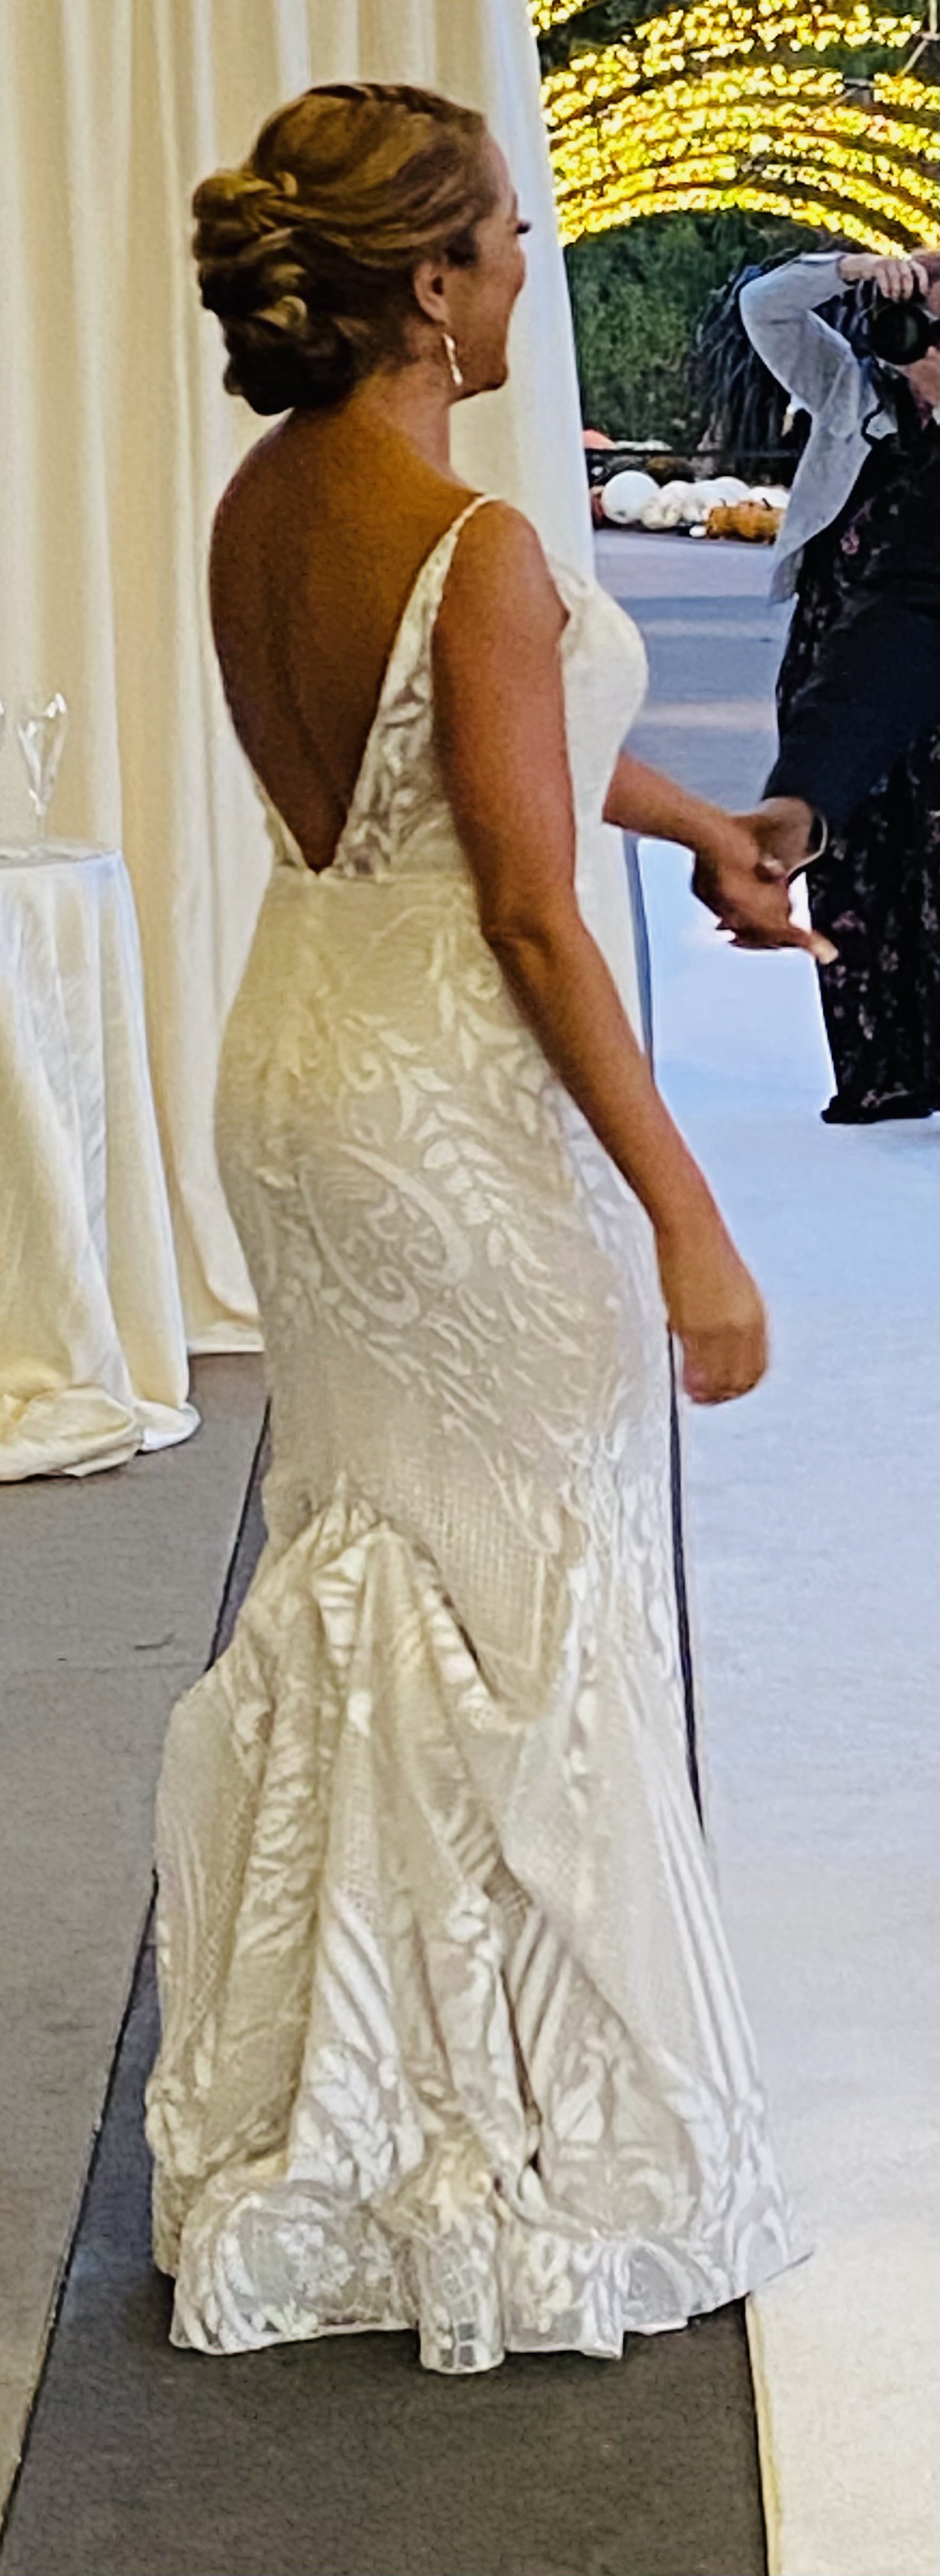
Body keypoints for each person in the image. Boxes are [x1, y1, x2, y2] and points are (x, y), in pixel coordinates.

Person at [144, 82, 803, 2372]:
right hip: (445, 1104)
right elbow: (524, 909)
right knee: (528, 1580)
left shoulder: (265, 503)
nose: (526, 267)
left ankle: (330, 2090)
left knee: (375, 1559)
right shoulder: (476, 541)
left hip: (294, 1074)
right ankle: (499, 2119)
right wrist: (688, 1212)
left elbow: (476, 747)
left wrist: (694, 820)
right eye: (507, 239)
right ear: (429, 284)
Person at [740, 244, 940, 1123]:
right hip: (848, 646)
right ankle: (882, 1069)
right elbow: (765, 307)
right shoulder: (848, 389)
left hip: (902, 640)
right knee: (854, 855)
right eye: (923, 324)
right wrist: (859, 271)